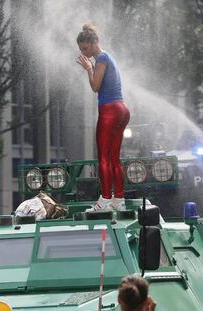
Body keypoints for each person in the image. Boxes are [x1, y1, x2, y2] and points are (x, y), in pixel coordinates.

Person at [76, 23, 130, 212]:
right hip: (122, 109)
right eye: (81, 49)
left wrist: (89, 69)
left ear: (94, 43)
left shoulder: (101, 58)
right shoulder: (108, 56)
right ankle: (118, 199)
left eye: (85, 48)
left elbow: (95, 86)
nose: (84, 52)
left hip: (109, 111)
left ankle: (105, 200)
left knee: (103, 158)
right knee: (114, 158)